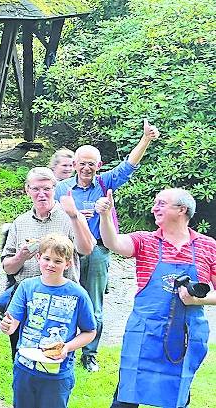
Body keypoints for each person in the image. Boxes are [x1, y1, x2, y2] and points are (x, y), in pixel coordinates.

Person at [53, 120, 159, 372]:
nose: (86, 168)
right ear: (75, 165)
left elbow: (129, 166)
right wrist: (77, 215)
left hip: (99, 251)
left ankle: (90, 354)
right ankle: (62, 348)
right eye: (82, 163)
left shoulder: (105, 183)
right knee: (65, 299)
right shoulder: (62, 189)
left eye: (92, 164)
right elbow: (54, 215)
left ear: (98, 166)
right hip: (70, 252)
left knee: (95, 303)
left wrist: (145, 139)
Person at [98, 187, 214, 408]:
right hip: (144, 332)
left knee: (176, 395)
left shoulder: (208, 246)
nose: (154, 208)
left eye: (161, 203)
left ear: (182, 209)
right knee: (126, 398)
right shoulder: (145, 241)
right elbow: (113, 243)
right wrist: (105, 216)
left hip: (185, 335)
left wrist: (197, 300)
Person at [0, 167, 95, 356]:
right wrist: (21, 256)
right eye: (36, 189)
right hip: (25, 297)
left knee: (57, 354)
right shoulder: (21, 222)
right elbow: (7, 267)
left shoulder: (70, 217)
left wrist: (75, 217)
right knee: (21, 355)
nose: (41, 194)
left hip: (61, 297)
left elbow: (86, 250)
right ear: (27, 190)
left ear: (55, 188)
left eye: (47, 189)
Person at [0, 234, 96, 408]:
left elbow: (90, 332)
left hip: (58, 372)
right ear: (38, 258)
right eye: (47, 259)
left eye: (58, 261)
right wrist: (7, 326)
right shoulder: (26, 286)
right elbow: (12, 323)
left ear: (68, 264)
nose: (51, 264)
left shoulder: (78, 294)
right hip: (25, 368)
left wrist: (67, 347)